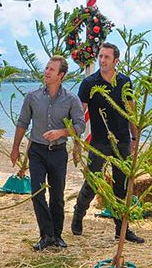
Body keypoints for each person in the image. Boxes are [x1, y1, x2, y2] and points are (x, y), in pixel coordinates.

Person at [71, 42, 145, 244]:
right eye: (100, 57)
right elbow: (79, 115)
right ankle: (78, 216)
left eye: (106, 57)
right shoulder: (89, 83)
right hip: (100, 141)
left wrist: (135, 139)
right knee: (93, 183)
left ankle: (122, 231)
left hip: (122, 142)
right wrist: (77, 143)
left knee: (121, 187)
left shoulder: (124, 82)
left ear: (115, 61)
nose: (102, 60)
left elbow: (131, 112)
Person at [11, 55, 85, 251]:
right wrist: (15, 148)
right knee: (37, 192)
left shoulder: (71, 99)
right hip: (36, 151)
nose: (47, 72)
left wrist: (62, 132)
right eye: (46, 68)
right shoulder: (32, 97)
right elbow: (22, 123)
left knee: (57, 195)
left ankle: (57, 236)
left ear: (61, 75)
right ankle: (46, 235)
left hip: (58, 152)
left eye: (52, 69)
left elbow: (80, 125)